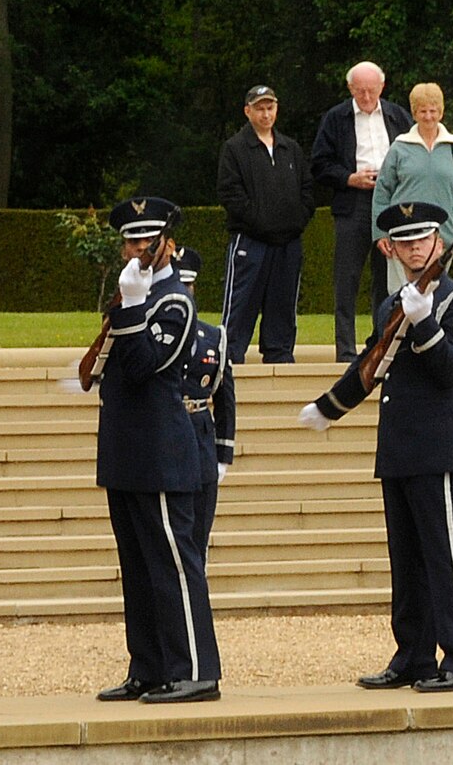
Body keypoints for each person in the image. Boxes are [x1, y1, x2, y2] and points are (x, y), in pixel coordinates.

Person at [298, 201, 453, 693]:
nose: (415, 248)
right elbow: (371, 365)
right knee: (407, 561)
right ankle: (414, 656)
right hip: (399, 446)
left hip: (440, 447)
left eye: (423, 239)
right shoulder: (389, 304)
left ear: (439, 243)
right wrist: (329, 407)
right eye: (405, 241)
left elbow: (450, 370)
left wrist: (423, 324)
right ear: (392, 249)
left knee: (444, 557)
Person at [91, 197, 222, 705]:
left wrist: (130, 307)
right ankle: (148, 667)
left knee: (173, 562)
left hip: (163, 450)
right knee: (139, 566)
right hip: (126, 449)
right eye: (130, 241)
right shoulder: (137, 294)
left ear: (167, 245)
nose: (137, 250)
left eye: (146, 241)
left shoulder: (174, 300)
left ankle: (194, 668)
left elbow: (147, 363)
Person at [313, 61, 413, 362]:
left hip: (391, 205)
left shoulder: (397, 116)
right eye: (360, 91)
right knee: (347, 279)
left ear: (382, 88)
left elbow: (414, 153)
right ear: (350, 89)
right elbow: (318, 163)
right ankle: (345, 351)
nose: (366, 96)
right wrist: (349, 178)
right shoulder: (336, 118)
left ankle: (381, 346)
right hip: (352, 203)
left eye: (371, 90)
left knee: (387, 280)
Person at [218, 85, 313, 364]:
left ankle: (279, 355)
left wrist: (296, 221)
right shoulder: (235, 148)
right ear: (248, 111)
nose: (265, 113)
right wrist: (260, 221)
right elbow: (229, 193)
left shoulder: (290, 148)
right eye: (259, 108)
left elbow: (307, 190)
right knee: (241, 302)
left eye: (270, 107)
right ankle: (230, 357)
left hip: (288, 244)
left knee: (283, 304)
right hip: (250, 241)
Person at [371, 82, 453, 291]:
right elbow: (382, 191)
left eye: (433, 111)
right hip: (402, 234)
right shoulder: (399, 147)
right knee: (401, 295)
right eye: (423, 111)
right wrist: (380, 233)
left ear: (441, 112)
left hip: (443, 236)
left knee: (437, 294)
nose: (428, 116)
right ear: (414, 113)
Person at [173, 247, 236, 562]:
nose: (184, 293)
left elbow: (225, 398)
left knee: (199, 532)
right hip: (168, 431)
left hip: (199, 434)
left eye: (189, 286)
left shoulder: (212, 337)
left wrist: (223, 453)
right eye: (178, 285)